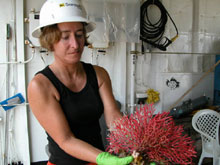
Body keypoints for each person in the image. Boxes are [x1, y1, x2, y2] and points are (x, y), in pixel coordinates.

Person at [28, 0, 133, 164]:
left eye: (79, 35)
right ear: (50, 40)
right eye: (65, 37)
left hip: (97, 161)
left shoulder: (99, 74)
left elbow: (113, 117)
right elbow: (66, 140)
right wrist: (102, 158)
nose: (75, 44)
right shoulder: (40, 85)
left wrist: (139, 142)